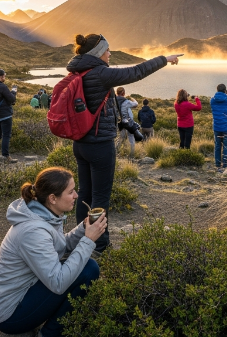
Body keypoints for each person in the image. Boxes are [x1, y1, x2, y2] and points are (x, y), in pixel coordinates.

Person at [66, 33, 180, 253]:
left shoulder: (78, 71)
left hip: (80, 143)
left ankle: (81, 238)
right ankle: (99, 245)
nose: (110, 54)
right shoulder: (99, 73)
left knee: (85, 193)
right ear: (99, 53)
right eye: (107, 50)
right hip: (100, 145)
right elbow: (136, 72)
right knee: (100, 197)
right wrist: (164, 59)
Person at [0, 167, 105, 337]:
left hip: (26, 290)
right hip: (9, 314)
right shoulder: (33, 231)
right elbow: (58, 283)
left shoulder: (45, 214)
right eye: (71, 192)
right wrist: (88, 240)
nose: (76, 196)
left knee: (87, 267)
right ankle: (50, 333)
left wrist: (84, 229)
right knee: (88, 270)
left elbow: (59, 246)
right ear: (52, 198)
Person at [0, 69, 18, 163]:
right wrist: (14, 91)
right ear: (1, 77)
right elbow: (12, 99)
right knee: (6, 135)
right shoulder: (2, 86)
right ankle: (5, 157)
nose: (4, 77)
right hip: (5, 115)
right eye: (4, 76)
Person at [116, 86, 139, 157]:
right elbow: (135, 104)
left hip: (120, 122)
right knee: (131, 137)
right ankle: (131, 154)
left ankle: (116, 152)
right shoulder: (126, 102)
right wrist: (133, 99)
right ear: (123, 93)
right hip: (128, 122)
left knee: (121, 137)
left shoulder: (113, 101)